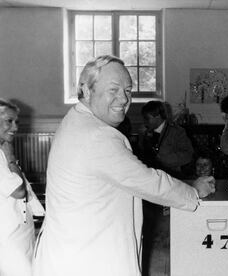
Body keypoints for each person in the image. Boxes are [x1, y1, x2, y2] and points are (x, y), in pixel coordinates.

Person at [32, 55, 215, 276]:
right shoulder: (96, 135)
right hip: (88, 259)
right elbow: (148, 182)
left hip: (72, 250)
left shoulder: (75, 120)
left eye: (128, 90)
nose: (123, 99)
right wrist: (194, 192)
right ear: (87, 90)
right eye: (113, 89)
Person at [0, 99, 41, 276]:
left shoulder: (3, 149)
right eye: (9, 121)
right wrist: (11, 159)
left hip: (23, 231)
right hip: (8, 235)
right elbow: (19, 191)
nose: (15, 128)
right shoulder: (6, 153)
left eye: (17, 122)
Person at [139, 100, 194, 178]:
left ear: (158, 116)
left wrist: (164, 159)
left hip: (171, 176)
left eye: (147, 118)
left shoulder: (177, 132)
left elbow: (188, 155)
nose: (144, 122)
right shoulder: (144, 132)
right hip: (150, 176)